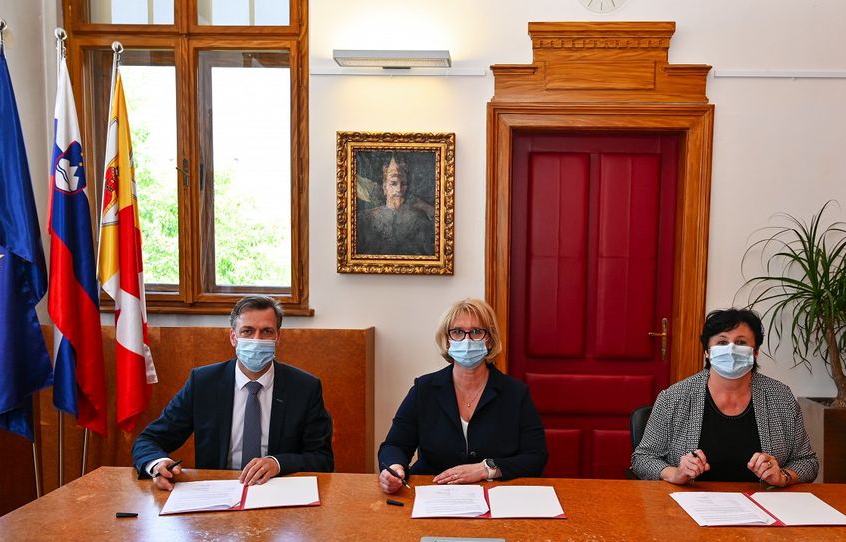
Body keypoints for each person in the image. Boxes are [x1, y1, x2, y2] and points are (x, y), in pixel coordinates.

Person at [133, 295, 334, 491]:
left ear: (277, 337)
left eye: (266, 331)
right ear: (233, 337)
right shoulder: (203, 383)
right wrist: (157, 464)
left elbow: (322, 459)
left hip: (277, 492)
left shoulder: (305, 388)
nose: (257, 340)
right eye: (247, 331)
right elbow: (149, 440)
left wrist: (277, 463)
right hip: (218, 494)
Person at [631, 308, 818, 486]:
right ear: (707, 351)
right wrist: (675, 473)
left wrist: (783, 476)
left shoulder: (781, 397)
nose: (731, 350)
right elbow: (642, 458)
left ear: (755, 352)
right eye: (722, 343)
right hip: (691, 502)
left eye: (741, 342)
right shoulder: (674, 397)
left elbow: (807, 462)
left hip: (762, 502)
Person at [378, 298, 547, 493]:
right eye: (457, 332)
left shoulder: (515, 393)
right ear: (447, 339)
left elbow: (536, 456)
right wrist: (394, 468)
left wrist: (486, 469)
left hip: (496, 494)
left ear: (490, 339)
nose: (467, 340)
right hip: (435, 491)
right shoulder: (424, 389)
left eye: (476, 332)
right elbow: (394, 445)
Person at [357, 156, 434, 256]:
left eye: (403, 184)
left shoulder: (419, 219)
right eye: (393, 183)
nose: (399, 189)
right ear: (385, 187)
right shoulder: (365, 220)